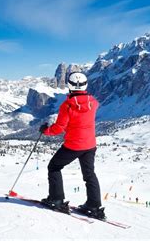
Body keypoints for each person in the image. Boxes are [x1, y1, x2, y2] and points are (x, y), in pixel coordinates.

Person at [39, 72, 104, 219]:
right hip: (90, 145)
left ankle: (57, 199)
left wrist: (45, 131)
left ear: (69, 85)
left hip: (73, 145)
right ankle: (94, 206)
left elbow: (58, 128)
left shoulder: (67, 105)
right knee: (89, 174)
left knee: (54, 167)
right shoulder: (93, 102)